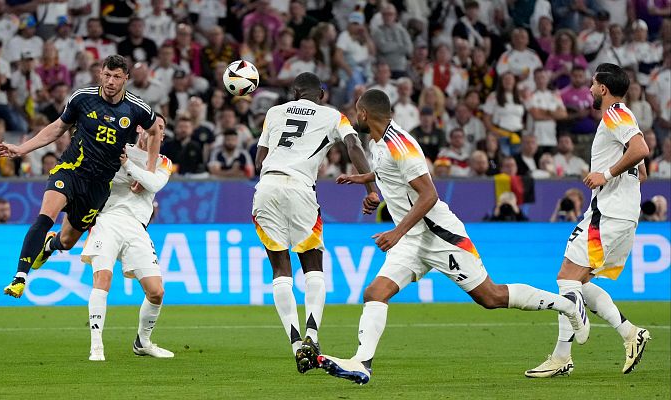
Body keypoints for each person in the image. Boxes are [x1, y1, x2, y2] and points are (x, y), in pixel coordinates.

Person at [318, 89, 588, 385]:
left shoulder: (401, 145)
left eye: (358, 111)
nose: (356, 116)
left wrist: (397, 232)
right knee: (375, 293)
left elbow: (429, 195)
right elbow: (387, 172)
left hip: (438, 235)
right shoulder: (378, 143)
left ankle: (568, 305)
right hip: (413, 240)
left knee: (491, 297)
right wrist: (364, 179)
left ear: (365, 114)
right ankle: (361, 364)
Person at [0, 55, 161, 299]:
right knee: (45, 217)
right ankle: (20, 277)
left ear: (126, 78)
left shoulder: (137, 108)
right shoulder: (82, 98)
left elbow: (155, 131)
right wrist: (23, 149)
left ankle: (51, 246)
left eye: (117, 77)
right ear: (100, 74)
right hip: (71, 169)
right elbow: (57, 128)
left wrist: (148, 171)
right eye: (107, 75)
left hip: (98, 186)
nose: (111, 81)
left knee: (66, 241)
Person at [527, 63, 651, 378]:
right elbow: (643, 170)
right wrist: (620, 178)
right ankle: (627, 334)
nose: (590, 90)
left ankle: (572, 335)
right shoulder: (623, 117)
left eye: (594, 84)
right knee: (579, 281)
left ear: (604, 89)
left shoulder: (615, 113)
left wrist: (605, 174)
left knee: (567, 278)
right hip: (621, 213)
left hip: (608, 213)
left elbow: (641, 148)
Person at [252, 72, 379, 374]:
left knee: (280, 269)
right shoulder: (334, 116)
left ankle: (297, 346)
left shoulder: (273, 112)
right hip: (300, 189)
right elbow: (354, 147)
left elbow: (259, 159)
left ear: (295, 92)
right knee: (312, 265)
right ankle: (312, 336)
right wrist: (371, 189)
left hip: (266, 187)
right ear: (321, 93)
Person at [81, 117, 173, 361]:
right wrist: (133, 173)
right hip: (107, 219)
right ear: (141, 128)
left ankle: (143, 342)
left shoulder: (163, 162)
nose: (158, 131)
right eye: (155, 126)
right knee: (103, 279)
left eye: (162, 129)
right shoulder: (120, 148)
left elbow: (153, 183)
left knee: (156, 292)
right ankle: (96, 346)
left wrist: (130, 169)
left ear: (162, 137)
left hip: (137, 227)